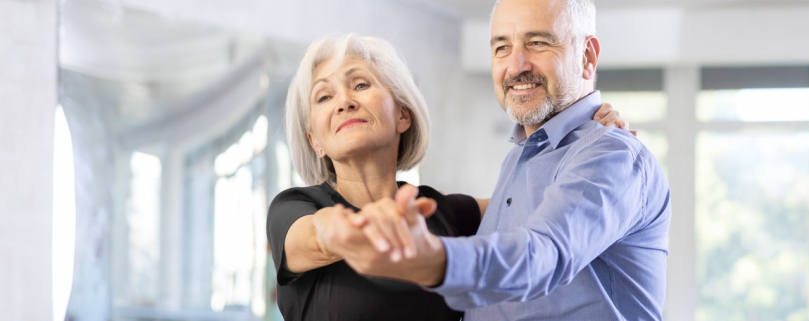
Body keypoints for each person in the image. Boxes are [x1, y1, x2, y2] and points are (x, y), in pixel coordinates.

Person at [316, 0, 672, 320]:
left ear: (587, 56)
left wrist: (432, 260)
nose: (517, 65)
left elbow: (542, 255)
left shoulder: (611, 155)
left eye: (537, 42)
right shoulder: (521, 156)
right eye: (502, 47)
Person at [265, 33, 629, 320]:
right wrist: (359, 229)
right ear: (315, 142)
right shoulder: (293, 209)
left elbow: (544, 200)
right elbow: (319, 234)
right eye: (324, 97)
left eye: (360, 85)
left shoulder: (441, 212)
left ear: (402, 116)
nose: (344, 101)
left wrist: (588, 132)